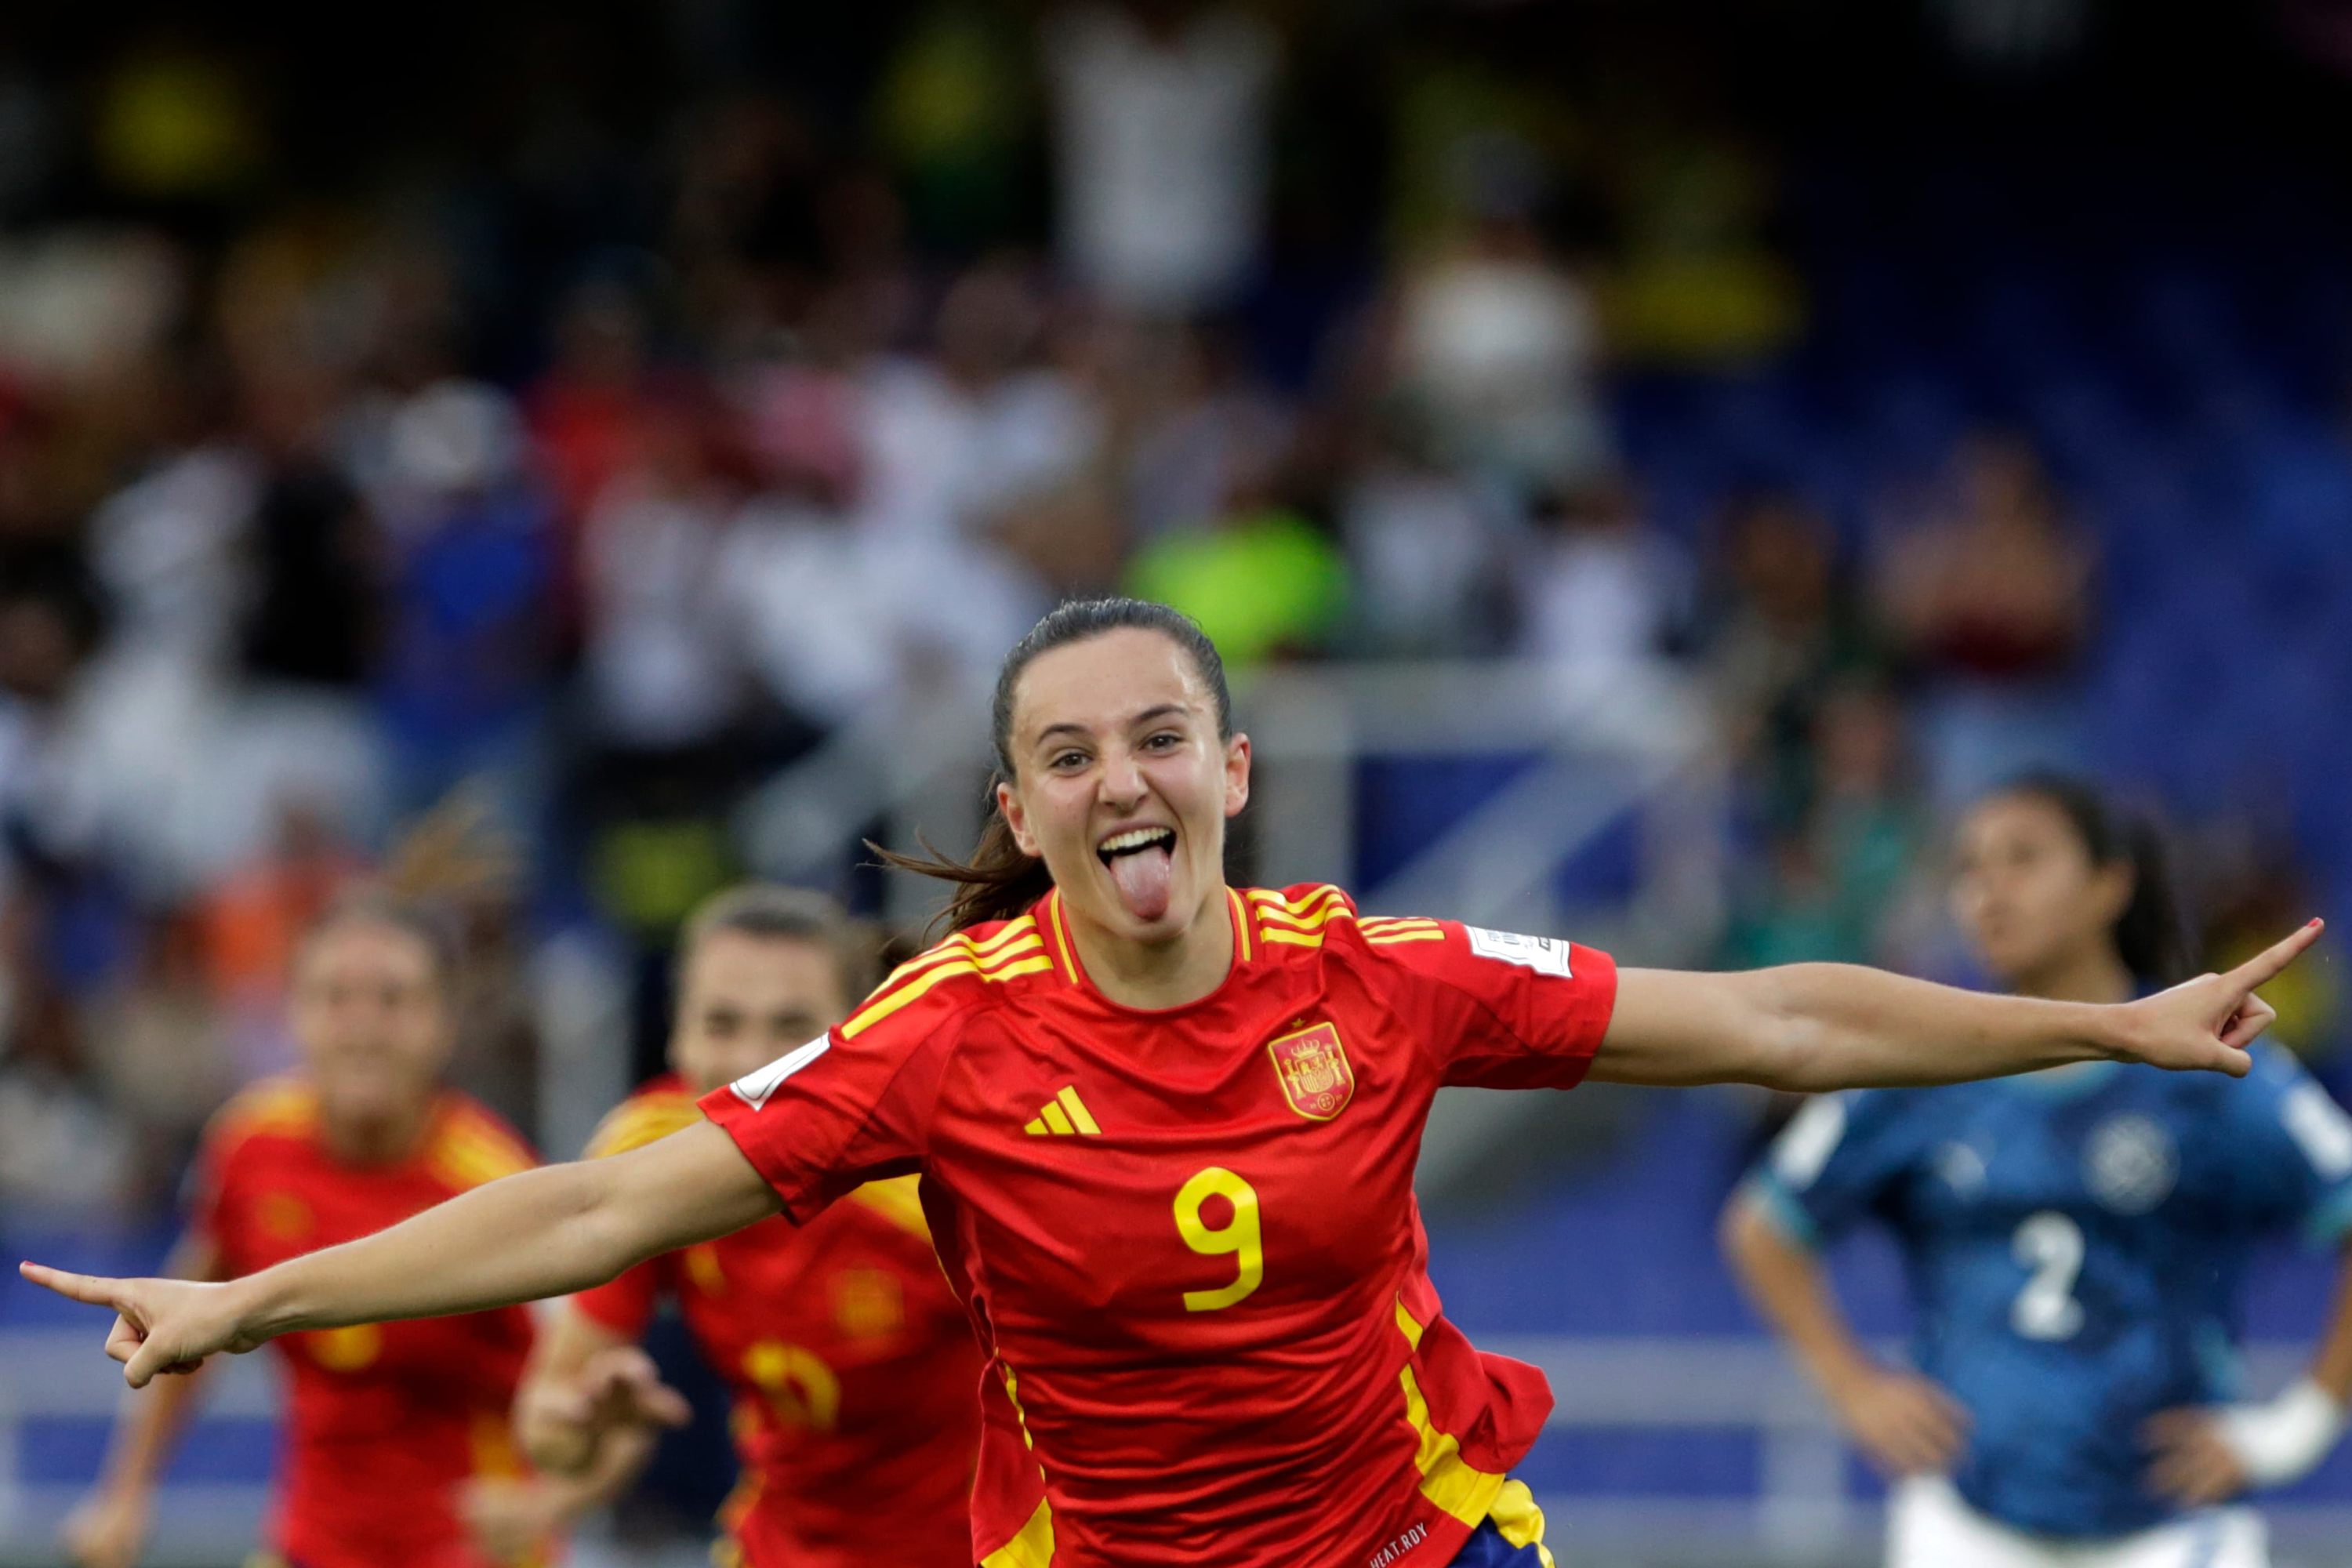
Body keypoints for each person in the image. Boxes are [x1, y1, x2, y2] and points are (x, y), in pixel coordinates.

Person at [21, 599, 2319, 1568]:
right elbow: (596, 1214)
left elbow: (1781, 1018)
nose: (1115, 777)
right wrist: (253, 1300)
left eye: (1152, 734)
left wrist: (2108, 1023)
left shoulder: (1388, 979)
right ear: (1019, 815)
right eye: (1060, 755)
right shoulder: (943, 1035)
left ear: (1226, 767)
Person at [1721, 776, 2352, 1568]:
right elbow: (1764, 1225)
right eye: (1968, 866)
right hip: (1967, 1522)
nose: (1989, 888)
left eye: (2023, 856)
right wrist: (1852, 1385)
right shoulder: (1919, 1065)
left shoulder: (2204, 1063)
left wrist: (2300, 1424)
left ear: (2110, 883)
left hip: (2174, 1529)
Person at [56, 891, 615, 1568]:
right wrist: (126, 1494)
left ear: (445, 1022)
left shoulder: (496, 1183)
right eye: (335, 998)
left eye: (393, 1000)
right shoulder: (249, 1146)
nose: (363, 1027)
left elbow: (605, 1393)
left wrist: (548, 1506)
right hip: (306, 1543)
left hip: (471, 1553)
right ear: (294, 1015)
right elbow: (180, 1326)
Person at [512, 884, 982, 1566]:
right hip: (774, 1547)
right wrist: (580, 1424)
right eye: (721, 1024)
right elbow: (546, 1425)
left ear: (866, 1035)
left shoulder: (930, 1188)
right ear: (676, 1033)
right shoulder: (648, 1151)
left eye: (792, 1028)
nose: (753, 1066)